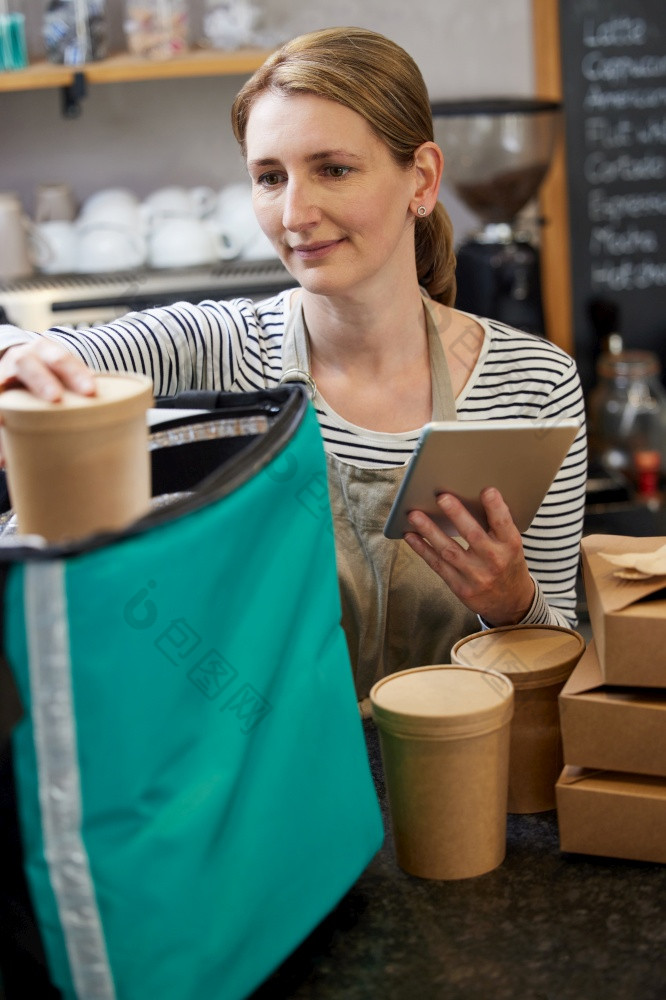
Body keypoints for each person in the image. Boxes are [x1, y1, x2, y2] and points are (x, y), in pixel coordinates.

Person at [0, 26, 586, 702]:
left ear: (421, 180)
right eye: (269, 178)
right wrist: (19, 354)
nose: (295, 213)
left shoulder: (533, 384)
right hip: (275, 785)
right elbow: (48, 356)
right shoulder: (217, 348)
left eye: (333, 169)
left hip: (460, 782)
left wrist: (513, 604)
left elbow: (559, 662)